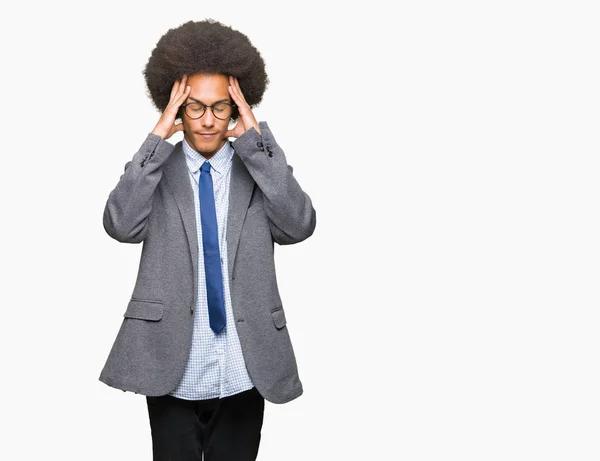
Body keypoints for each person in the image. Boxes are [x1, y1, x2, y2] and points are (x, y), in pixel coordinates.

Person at [98, 19, 316, 461]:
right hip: (172, 364)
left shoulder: (258, 170)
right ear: (175, 108)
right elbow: (120, 224)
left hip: (244, 365)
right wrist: (157, 135)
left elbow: (299, 225)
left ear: (237, 108)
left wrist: (258, 143)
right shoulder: (156, 170)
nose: (208, 121)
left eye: (220, 108)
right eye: (194, 107)